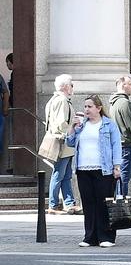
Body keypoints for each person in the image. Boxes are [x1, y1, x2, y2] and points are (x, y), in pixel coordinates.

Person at [65, 95, 122, 247]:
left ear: (99, 108)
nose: (86, 110)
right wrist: (72, 126)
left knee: (103, 203)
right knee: (88, 203)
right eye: (85, 107)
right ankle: (89, 236)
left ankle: (106, 236)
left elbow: (116, 145)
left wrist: (117, 166)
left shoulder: (109, 125)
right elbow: (69, 142)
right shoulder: (82, 125)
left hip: (103, 169)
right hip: (83, 168)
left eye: (90, 107)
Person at [45, 74, 82, 215]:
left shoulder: (54, 100)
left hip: (61, 141)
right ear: (66, 86)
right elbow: (61, 123)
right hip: (63, 141)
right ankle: (53, 205)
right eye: (71, 85)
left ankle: (69, 203)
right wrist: (74, 123)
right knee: (60, 173)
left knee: (65, 174)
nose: (73, 87)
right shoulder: (62, 101)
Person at [109, 75, 131, 215]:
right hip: (125, 143)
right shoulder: (124, 103)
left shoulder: (113, 102)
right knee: (124, 177)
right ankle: (123, 207)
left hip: (118, 143)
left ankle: (119, 204)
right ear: (123, 85)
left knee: (119, 177)